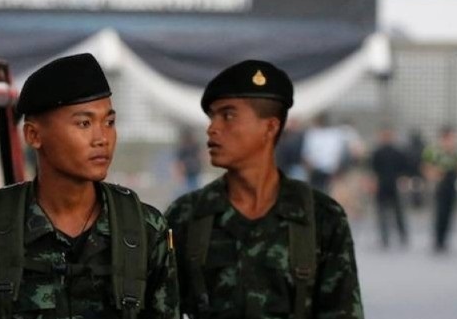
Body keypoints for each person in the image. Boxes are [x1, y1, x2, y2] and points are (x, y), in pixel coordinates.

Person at [0, 53, 179, 318]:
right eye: (84, 123)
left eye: (109, 122)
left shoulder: (144, 230)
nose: (102, 138)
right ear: (34, 135)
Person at [165, 60, 364, 318]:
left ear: (270, 127)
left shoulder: (322, 217)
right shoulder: (185, 216)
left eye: (228, 115)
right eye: (211, 116)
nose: (212, 128)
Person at [423, 124, 457, 253]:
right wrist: (434, 175)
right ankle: (437, 239)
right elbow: (426, 167)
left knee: (450, 213)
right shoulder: (433, 150)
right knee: (440, 213)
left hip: (452, 183)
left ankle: (445, 239)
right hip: (440, 184)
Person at [369, 126, 410, 249]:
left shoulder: (398, 153)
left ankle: (402, 235)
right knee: (382, 213)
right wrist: (372, 183)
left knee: (398, 213)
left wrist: (403, 181)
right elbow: (373, 171)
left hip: (394, 185)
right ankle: (384, 237)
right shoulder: (377, 153)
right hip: (381, 185)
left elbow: (404, 170)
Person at [174, 126, 204, 193]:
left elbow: (200, 156)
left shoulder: (194, 146)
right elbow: (179, 161)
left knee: (191, 187)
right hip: (188, 171)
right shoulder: (184, 147)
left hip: (193, 170)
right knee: (188, 187)